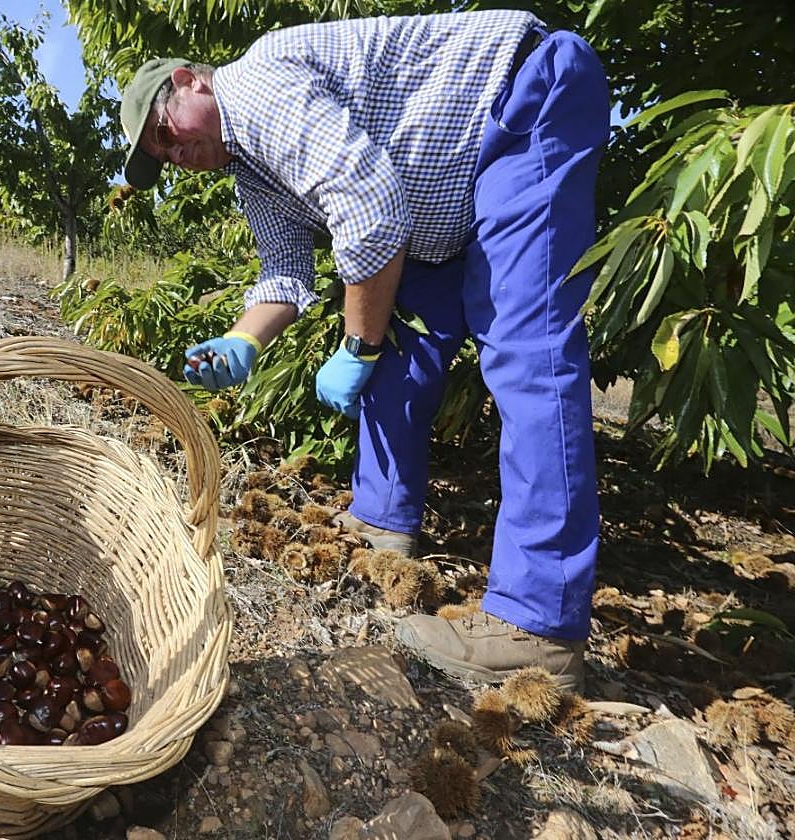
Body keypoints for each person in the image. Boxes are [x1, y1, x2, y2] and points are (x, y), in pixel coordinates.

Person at [117, 10, 609, 692]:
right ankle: (382, 525)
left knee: (529, 357)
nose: (176, 155)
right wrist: (241, 340)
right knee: (399, 356)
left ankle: (542, 622)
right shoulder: (252, 176)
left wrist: (355, 342)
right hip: (439, 211)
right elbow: (285, 275)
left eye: (167, 135)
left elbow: (371, 211)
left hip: (517, 104)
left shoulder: (252, 86)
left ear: (187, 83)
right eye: (165, 157)